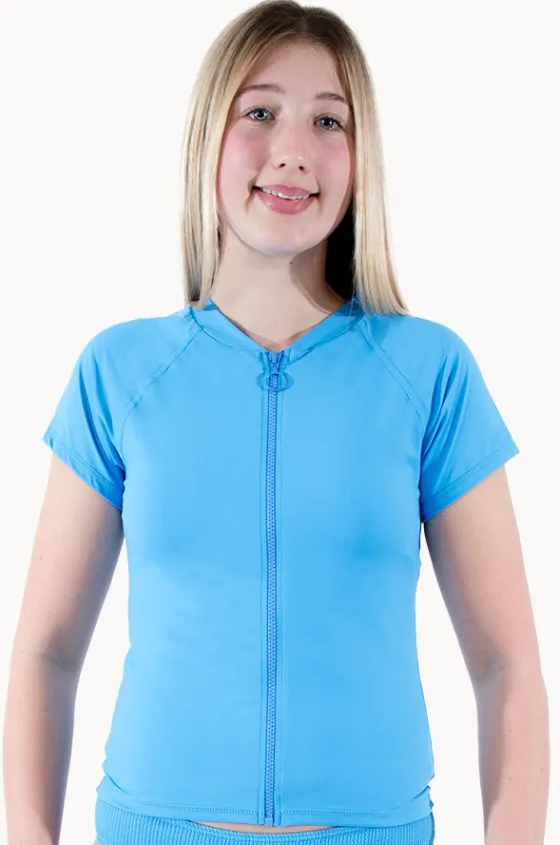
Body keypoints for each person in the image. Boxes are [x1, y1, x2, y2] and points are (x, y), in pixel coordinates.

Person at [3, 2, 549, 845]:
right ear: (207, 138)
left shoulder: (429, 372)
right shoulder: (119, 372)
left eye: (329, 121)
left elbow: (504, 662)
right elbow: (47, 651)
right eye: (259, 111)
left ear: (360, 158)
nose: (292, 149)